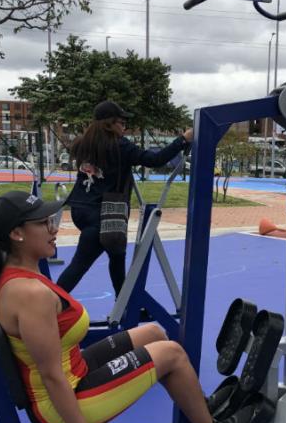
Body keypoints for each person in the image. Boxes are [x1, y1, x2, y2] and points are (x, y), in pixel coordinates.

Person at [0, 191, 263, 423]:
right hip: (61, 405)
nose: (54, 228)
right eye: (43, 223)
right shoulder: (31, 295)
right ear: (17, 234)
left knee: (155, 333)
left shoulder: (18, 274)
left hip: (74, 371)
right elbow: (52, 375)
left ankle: (198, 406)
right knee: (171, 353)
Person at [56, 101, 192, 295]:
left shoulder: (82, 143)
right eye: (121, 122)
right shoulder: (119, 145)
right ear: (109, 123)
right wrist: (183, 140)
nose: (124, 127)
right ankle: (52, 304)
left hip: (80, 209)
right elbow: (155, 160)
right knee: (81, 264)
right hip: (105, 214)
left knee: (117, 255)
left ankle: (123, 303)